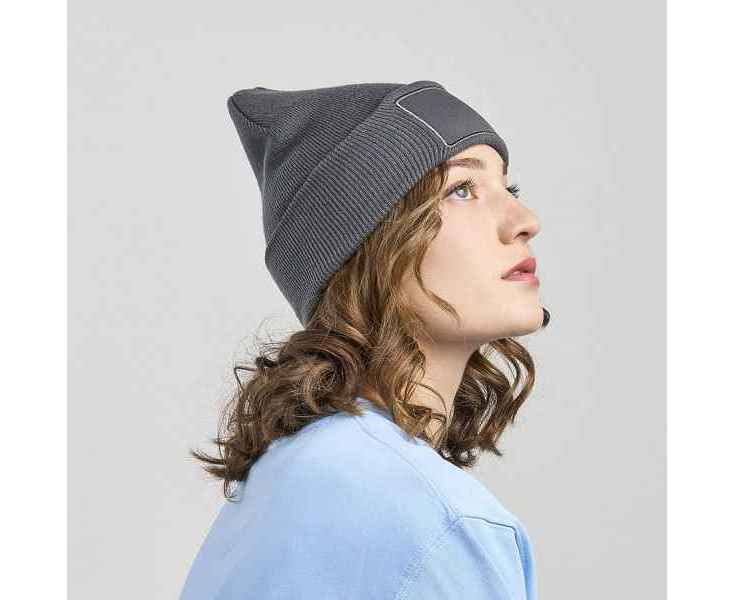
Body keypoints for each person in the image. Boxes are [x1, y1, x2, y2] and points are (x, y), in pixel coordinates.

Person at [181, 79, 549, 599]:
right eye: (462, 189)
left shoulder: (281, 479)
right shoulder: (440, 521)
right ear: (370, 246)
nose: (524, 222)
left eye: (509, 189)